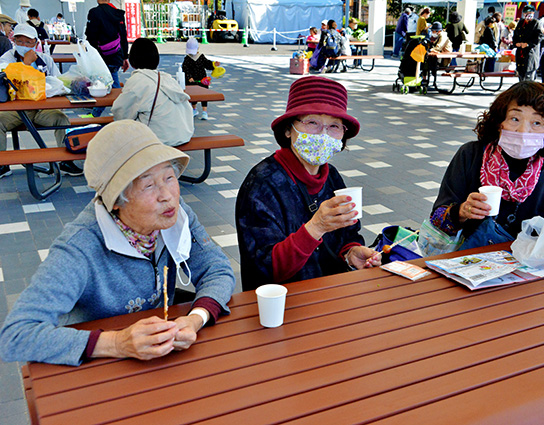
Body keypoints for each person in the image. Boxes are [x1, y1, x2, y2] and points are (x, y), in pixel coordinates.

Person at [0, 120, 236, 366]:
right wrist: (116, 343)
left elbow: (216, 269)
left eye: (169, 176)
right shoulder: (80, 246)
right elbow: (16, 335)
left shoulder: (173, 215)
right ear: (116, 200)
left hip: (157, 356)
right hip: (94, 366)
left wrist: (195, 319)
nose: (167, 195)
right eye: (148, 185)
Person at [236, 76, 381, 291]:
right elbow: (265, 268)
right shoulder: (262, 184)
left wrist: (351, 254)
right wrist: (315, 228)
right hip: (281, 304)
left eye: (334, 126)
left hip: (331, 295)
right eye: (312, 122)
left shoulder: (332, 176)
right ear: (288, 129)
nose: (323, 134)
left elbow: (348, 235)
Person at [430, 81, 544, 246]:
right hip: (469, 259)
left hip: (530, 265)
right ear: (500, 123)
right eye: (515, 119)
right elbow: (436, 220)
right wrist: (460, 212)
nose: (523, 130)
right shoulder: (471, 155)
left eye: (536, 122)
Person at [0, 24, 80, 179]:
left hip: (43, 109)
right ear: (13, 40)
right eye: (19, 41)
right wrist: (26, 65)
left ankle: (66, 160)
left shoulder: (45, 60)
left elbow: (59, 83)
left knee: (61, 119)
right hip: (18, 111)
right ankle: (3, 164)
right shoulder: (6, 58)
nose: (23, 45)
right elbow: (8, 79)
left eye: (28, 42)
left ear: (36, 43)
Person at [113, 38, 194, 146]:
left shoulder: (137, 80)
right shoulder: (168, 78)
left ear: (132, 61)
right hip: (183, 135)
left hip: (159, 139)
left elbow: (121, 114)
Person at [85, 0, 130, 118]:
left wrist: (90, 54)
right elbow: (123, 36)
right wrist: (125, 56)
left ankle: (124, 113)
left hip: (100, 56)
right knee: (108, 84)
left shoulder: (94, 12)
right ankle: (96, 114)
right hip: (116, 54)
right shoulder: (117, 13)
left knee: (112, 87)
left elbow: (90, 36)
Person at [182, 37, 220, 120]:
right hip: (192, 81)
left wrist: (214, 64)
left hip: (202, 80)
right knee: (193, 96)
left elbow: (208, 64)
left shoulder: (201, 57)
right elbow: (185, 69)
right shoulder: (187, 59)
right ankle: (194, 109)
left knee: (204, 96)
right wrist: (189, 77)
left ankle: (204, 111)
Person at [513, 5, 543, 81]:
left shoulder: (536, 23)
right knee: (521, 77)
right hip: (520, 54)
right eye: (526, 13)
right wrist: (516, 43)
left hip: (530, 54)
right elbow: (515, 35)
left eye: (530, 13)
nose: (528, 15)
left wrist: (528, 44)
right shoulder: (521, 22)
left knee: (529, 78)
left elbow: (538, 38)